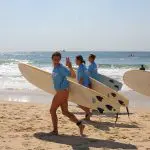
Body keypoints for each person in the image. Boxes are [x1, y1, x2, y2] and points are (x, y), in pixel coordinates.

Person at [50, 52, 85, 136]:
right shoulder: (55, 68)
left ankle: (55, 131)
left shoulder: (61, 68)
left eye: (58, 59)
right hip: (63, 91)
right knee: (65, 112)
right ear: (52, 59)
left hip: (62, 92)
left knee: (52, 110)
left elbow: (73, 76)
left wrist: (70, 67)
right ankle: (80, 125)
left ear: (60, 59)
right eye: (55, 59)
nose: (56, 61)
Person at [75, 55, 92, 120]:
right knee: (85, 102)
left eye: (76, 60)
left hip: (83, 86)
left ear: (79, 60)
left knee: (79, 102)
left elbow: (81, 78)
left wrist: (78, 86)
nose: (75, 61)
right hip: (86, 86)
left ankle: (88, 112)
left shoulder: (81, 67)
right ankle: (88, 117)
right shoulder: (84, 66)